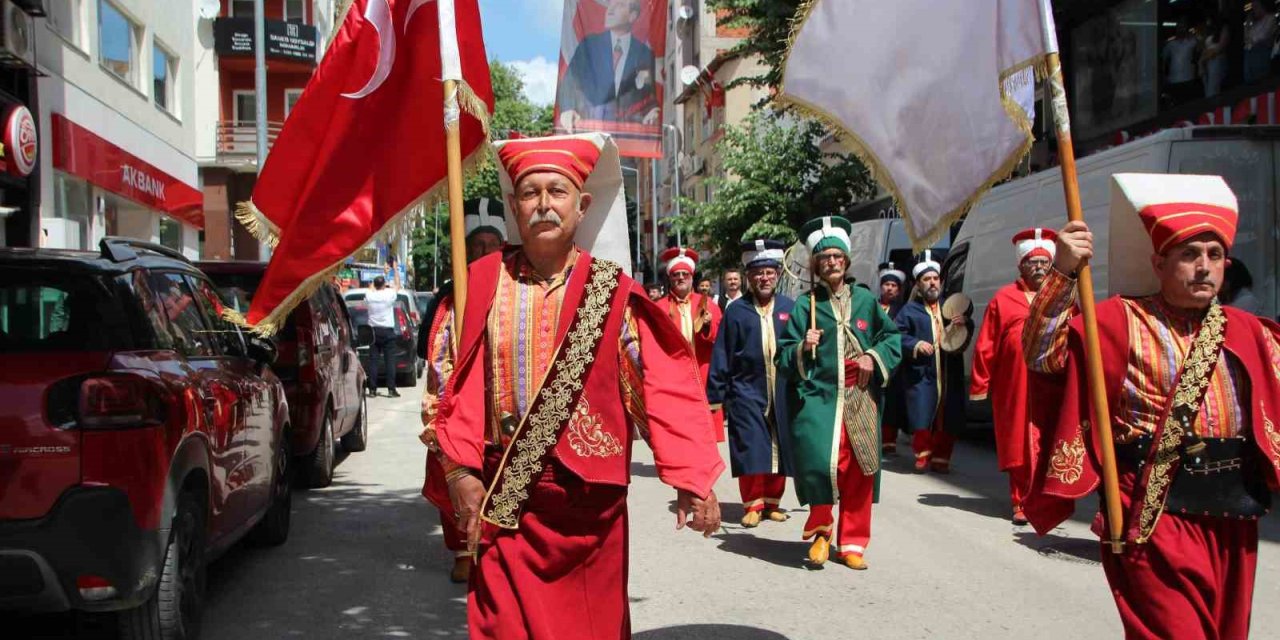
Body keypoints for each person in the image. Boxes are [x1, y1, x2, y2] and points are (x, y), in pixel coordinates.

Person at [428, 134, 723, 640]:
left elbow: (655, 389)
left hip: (589, 512)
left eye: (557, 191)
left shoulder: (612, 292)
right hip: (505, 500)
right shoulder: (474, 284)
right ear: (513, 206)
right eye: (530, 192)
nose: (544, 204)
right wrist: (458, 474)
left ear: (581, 205)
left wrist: (692, 478)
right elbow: (443, 387)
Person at [1022, 173, 1280, 640]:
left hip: (1233, 511)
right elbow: (1043, 354)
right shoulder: (1119, 318)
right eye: (1190, 255)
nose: (1204, 267)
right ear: (1158, 263)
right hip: (1150, 508)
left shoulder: (1252, 331)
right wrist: (1062, 271)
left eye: (1215, 255)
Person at [778, 216, 901, 571]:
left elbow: (891, 339)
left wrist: (871, 357)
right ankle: (821, 531)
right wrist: (803, 345)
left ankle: (853, 542)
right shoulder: (805, 306)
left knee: (860, 468)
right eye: (824, 258)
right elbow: (782, 355)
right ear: (816, 265)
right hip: (819, 398)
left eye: (837, 257)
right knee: (819, 464)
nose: (831, 262)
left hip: (860, 395)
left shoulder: (865, 300)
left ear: (846, 261)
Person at [419, 211, 508, 583]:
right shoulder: (450, 298)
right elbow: (438, 360)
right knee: (453, 474)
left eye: (493, 247)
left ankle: (500, 548)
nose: (485, 252)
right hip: (462, 403)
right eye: (478, 247)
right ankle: (463, 550)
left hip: (505, 404)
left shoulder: (515, 290)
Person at [969, 228, 1058, 526]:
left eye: (1044, 263)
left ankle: (1046, 500)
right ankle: (1020, 500)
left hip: (1050, 383)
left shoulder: (1061, 296)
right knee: (1019, 442)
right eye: (1032, 263)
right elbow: (987, 344)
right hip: (1014, 386)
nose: (1039, 268)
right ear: (1020, 266)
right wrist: (981, 383)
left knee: (1049, 440)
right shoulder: (1004, 298)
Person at [707, 239, 795, 528]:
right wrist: (715, 396)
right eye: (758, 273)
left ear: (778, 275)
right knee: (751, 446)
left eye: (769, 272)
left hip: (781, 390)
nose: (764, 278)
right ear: (749, 277)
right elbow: (722, 353)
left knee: (779, 446)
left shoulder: (791, 308)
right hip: (746, 391)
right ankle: (752, 504)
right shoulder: (736, 311)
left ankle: (772, 502)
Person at [896, 251, 972, 473]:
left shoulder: (950, 306)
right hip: (923, 373)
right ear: (918, 284)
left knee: (949, 416)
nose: (932, 283)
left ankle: (941, 458)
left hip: (949, 370)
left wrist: (964, 322)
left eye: (935, 279)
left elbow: (967, 327)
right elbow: (897, 335)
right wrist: (915, 345)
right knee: (921, 414)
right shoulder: (909, 311)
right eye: (926, 279)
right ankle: (922, 453)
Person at [557, 0, 659, 132]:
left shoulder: (644, 54)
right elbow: (569, 81)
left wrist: (653, 110)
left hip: (627, 135)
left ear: (632, 16)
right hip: (590, 129)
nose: (610, 10)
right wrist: (568, 109)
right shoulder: (589, 45)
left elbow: (646, 95)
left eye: (620, 5)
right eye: (610, 4)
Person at [657, 247, 725, 442]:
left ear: (691, 277)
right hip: (673, 377)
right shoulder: (659, 307)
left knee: (705, 430)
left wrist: (707, 327)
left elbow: (719, 341)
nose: (680, 278)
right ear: (670, 278)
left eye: (684, 274)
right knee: (678, 429)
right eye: (676, 274)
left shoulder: (709, 304)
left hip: (702, 372)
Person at [876, 262, 907, 455]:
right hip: (874, 358)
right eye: (887, 284)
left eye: (894, 285)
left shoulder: (903, 310)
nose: (890, 288)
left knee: (893, 403)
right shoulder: (873, 305)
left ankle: (889, 441)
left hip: (895, 363)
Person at [365, 268, 401, 398]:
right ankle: (391, 390)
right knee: (390, 361)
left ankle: (372, 389)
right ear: (384, 284)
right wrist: (395, 270)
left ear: (374, 285)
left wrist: (382, 275)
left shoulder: (369, 295)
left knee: (373, 361)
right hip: (387, 331)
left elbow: (371, 287)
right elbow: (398, 285)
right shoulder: (388, 294)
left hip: (373, 331)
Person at [1161, 21, 1201, 105]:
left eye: (1183, 27)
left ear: (1186, 29)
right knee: (1176, 104)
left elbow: (1200, 46)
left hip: (1188, 79)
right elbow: (1163, 61)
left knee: (1188, 104)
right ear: (1176, 29)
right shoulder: (1170, 44)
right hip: (1174, 80)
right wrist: (1163, 76)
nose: (1181, 30)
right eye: (1179, 27)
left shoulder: (1192, 42)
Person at [1199, 11, 1230, 97]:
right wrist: (1201, 62)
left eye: (1208, 19)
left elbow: (1221, 47)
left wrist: (1206, 57)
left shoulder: (1223, 28)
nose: (1207, 21)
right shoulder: (1209, 31)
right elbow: (1204, 49)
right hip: (1207, 62)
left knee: (1214, 89)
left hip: (1217, 60)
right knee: (1208, 89)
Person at [1245, 1, 1276, 83]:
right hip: (1253, 51)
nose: (1254, 10)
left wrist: (1255, 41)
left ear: (1262, 7)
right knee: (1247, 52)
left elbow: (1265, 36)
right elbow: (1248, 38)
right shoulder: (1255, 24)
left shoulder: (1271, 18)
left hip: (1265, 50)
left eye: (1256, 7)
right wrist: (1248, 23)